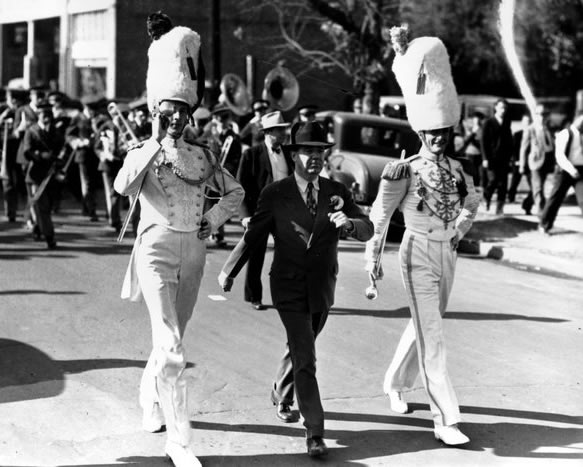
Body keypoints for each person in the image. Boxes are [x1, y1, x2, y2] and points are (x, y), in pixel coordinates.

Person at [113, 12, 243, 467]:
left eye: (181, 112)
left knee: (173, 337)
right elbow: (121, 187)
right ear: (156, 112)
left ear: (190, 113)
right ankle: (180, 441)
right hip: (154, 248)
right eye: (167, 112)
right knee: (172, 346)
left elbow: (236, 192)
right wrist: (151, 144)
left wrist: (214, 216)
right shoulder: (144, 151)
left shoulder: (202, 154)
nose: (175, 119)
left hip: (195, 251)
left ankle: (149, 394)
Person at [219, 121, 373, 458]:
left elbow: (367, 226)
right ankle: (315, 432)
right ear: (294, 155)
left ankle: (281, 390)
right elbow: (255, 233)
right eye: (307, 151)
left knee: (302, 347)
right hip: (287, 285)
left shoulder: (338, 191)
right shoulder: (275, 193)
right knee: (306, 356)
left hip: (322, 286)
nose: (315, 158)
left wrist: (349, 224)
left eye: (320, 151)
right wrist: (230, 269)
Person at [365, 26, 480, 447]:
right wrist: (372, 260)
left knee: (423, 327)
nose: (438, 138)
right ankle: (445, 417)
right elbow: (380, 215)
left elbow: (472, 202)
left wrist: (460, 230)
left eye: (443, 132)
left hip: (447, 251)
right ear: (420, 131)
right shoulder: (404, 169)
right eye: (432, 132)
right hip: (414, 251)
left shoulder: (459, 168)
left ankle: (395, 383)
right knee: (432, 334)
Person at [236, 110, 292, 310]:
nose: (284, 134)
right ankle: (254, 296)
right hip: (259, 212)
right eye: (279, 130)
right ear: (268, 132)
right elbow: (240, 187)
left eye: (284, 130)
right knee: (256, 256)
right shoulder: (251, 154)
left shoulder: (288, 153)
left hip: (284, 212)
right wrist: (245, 216)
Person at [22, 103, 66, 249]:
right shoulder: (31, 131)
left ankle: (37, 227)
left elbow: (62, 149)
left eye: (48, 115)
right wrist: (41, 155)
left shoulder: (56, 132)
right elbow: (27, 151)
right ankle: (50, 236)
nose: (46, 118)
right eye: (43, 115)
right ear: (38, 116)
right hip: (35, 175)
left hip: (51, 175)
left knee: (47, 206)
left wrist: (59, 160)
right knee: (42, 207)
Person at [539, 113, 583, 233]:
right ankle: (544, 224)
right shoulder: (565, 134)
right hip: (565, 170)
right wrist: (571, 170)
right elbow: (560, 156)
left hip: (581, 170)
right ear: (576, 120)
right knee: (556, 198)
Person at [519, 103, 555, 218]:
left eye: (544, 114)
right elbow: (523, 148)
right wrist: (521, 164)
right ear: (535, 115)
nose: (542, 117)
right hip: (535, 162)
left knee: (537, 187)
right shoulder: (530, 129)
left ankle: (526, 204)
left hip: (547, 162)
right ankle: (542, 214)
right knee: (538, 188)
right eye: (539, 114)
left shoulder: (549, 128)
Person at [481, 98, 514, 214]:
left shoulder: (507, 122)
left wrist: (511, 158)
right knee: (493, 180)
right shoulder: (488, 122)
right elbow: (483, 142)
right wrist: (485, 158)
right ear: (496, 108)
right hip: (491, 158)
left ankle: (500, 207)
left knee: (503, 184)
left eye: (505, 108)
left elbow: (509, 141)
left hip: (504, 159)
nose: (503, 110)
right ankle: (486, 198)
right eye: (501, 107)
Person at [507, 112, 533, 214]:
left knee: (532, 184)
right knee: (515, 181)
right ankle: (511, 197)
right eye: (525, 121)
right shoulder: (517, 134)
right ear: (522, 122)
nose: (527, 123)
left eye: (529, 121)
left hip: (529, 163)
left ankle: (528, 202)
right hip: (518, 162)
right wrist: (516, 160)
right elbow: (514, 149)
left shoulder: (532, 133)